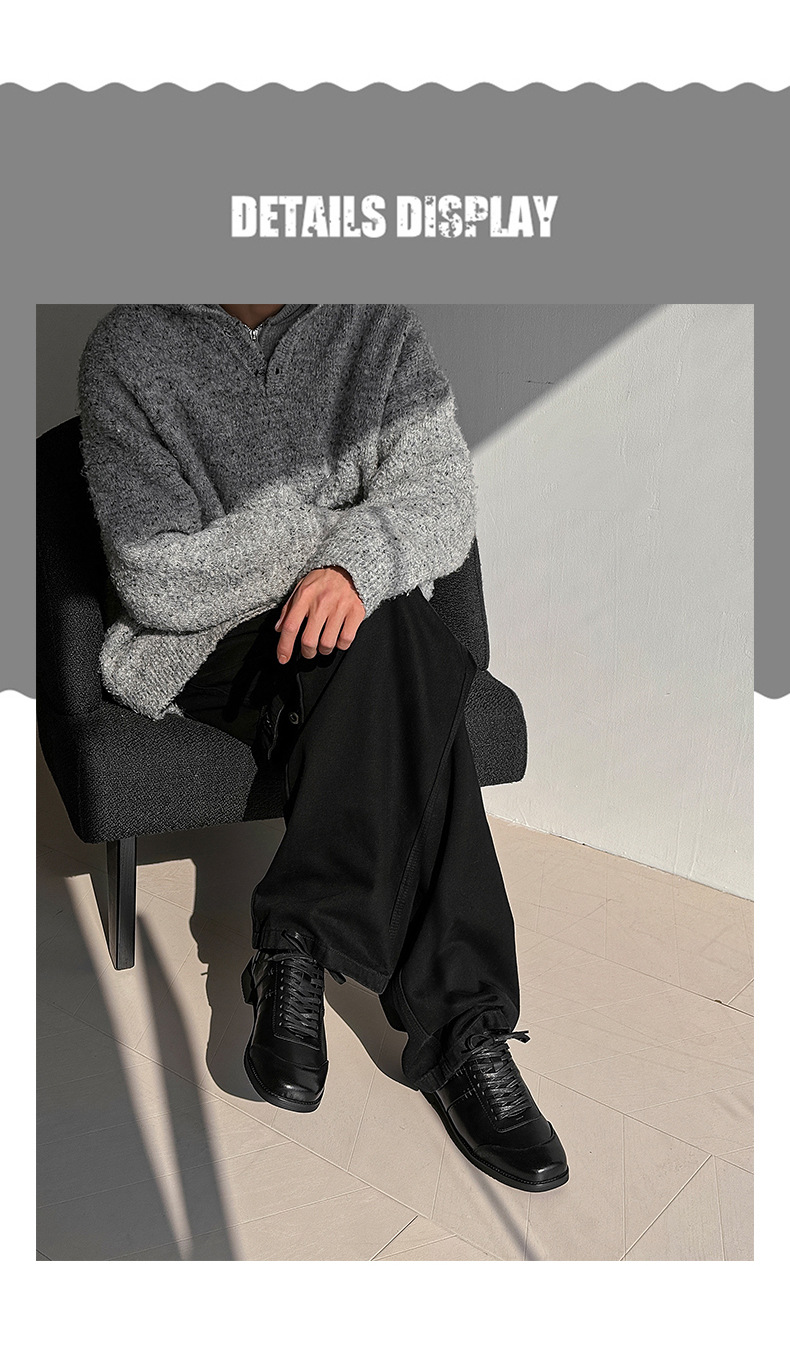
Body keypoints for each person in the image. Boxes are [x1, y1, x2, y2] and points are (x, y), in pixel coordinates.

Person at [77, 302, 569, 1194]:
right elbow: (156, 572)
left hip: (364, 627)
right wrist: (333, 545)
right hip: (210, 646)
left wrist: (353, 572)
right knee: (404, 650)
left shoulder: (377, 327)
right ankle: (460, 1028)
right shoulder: (130, 347)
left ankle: (300, 946)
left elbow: (442, 499)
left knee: (388, 637)